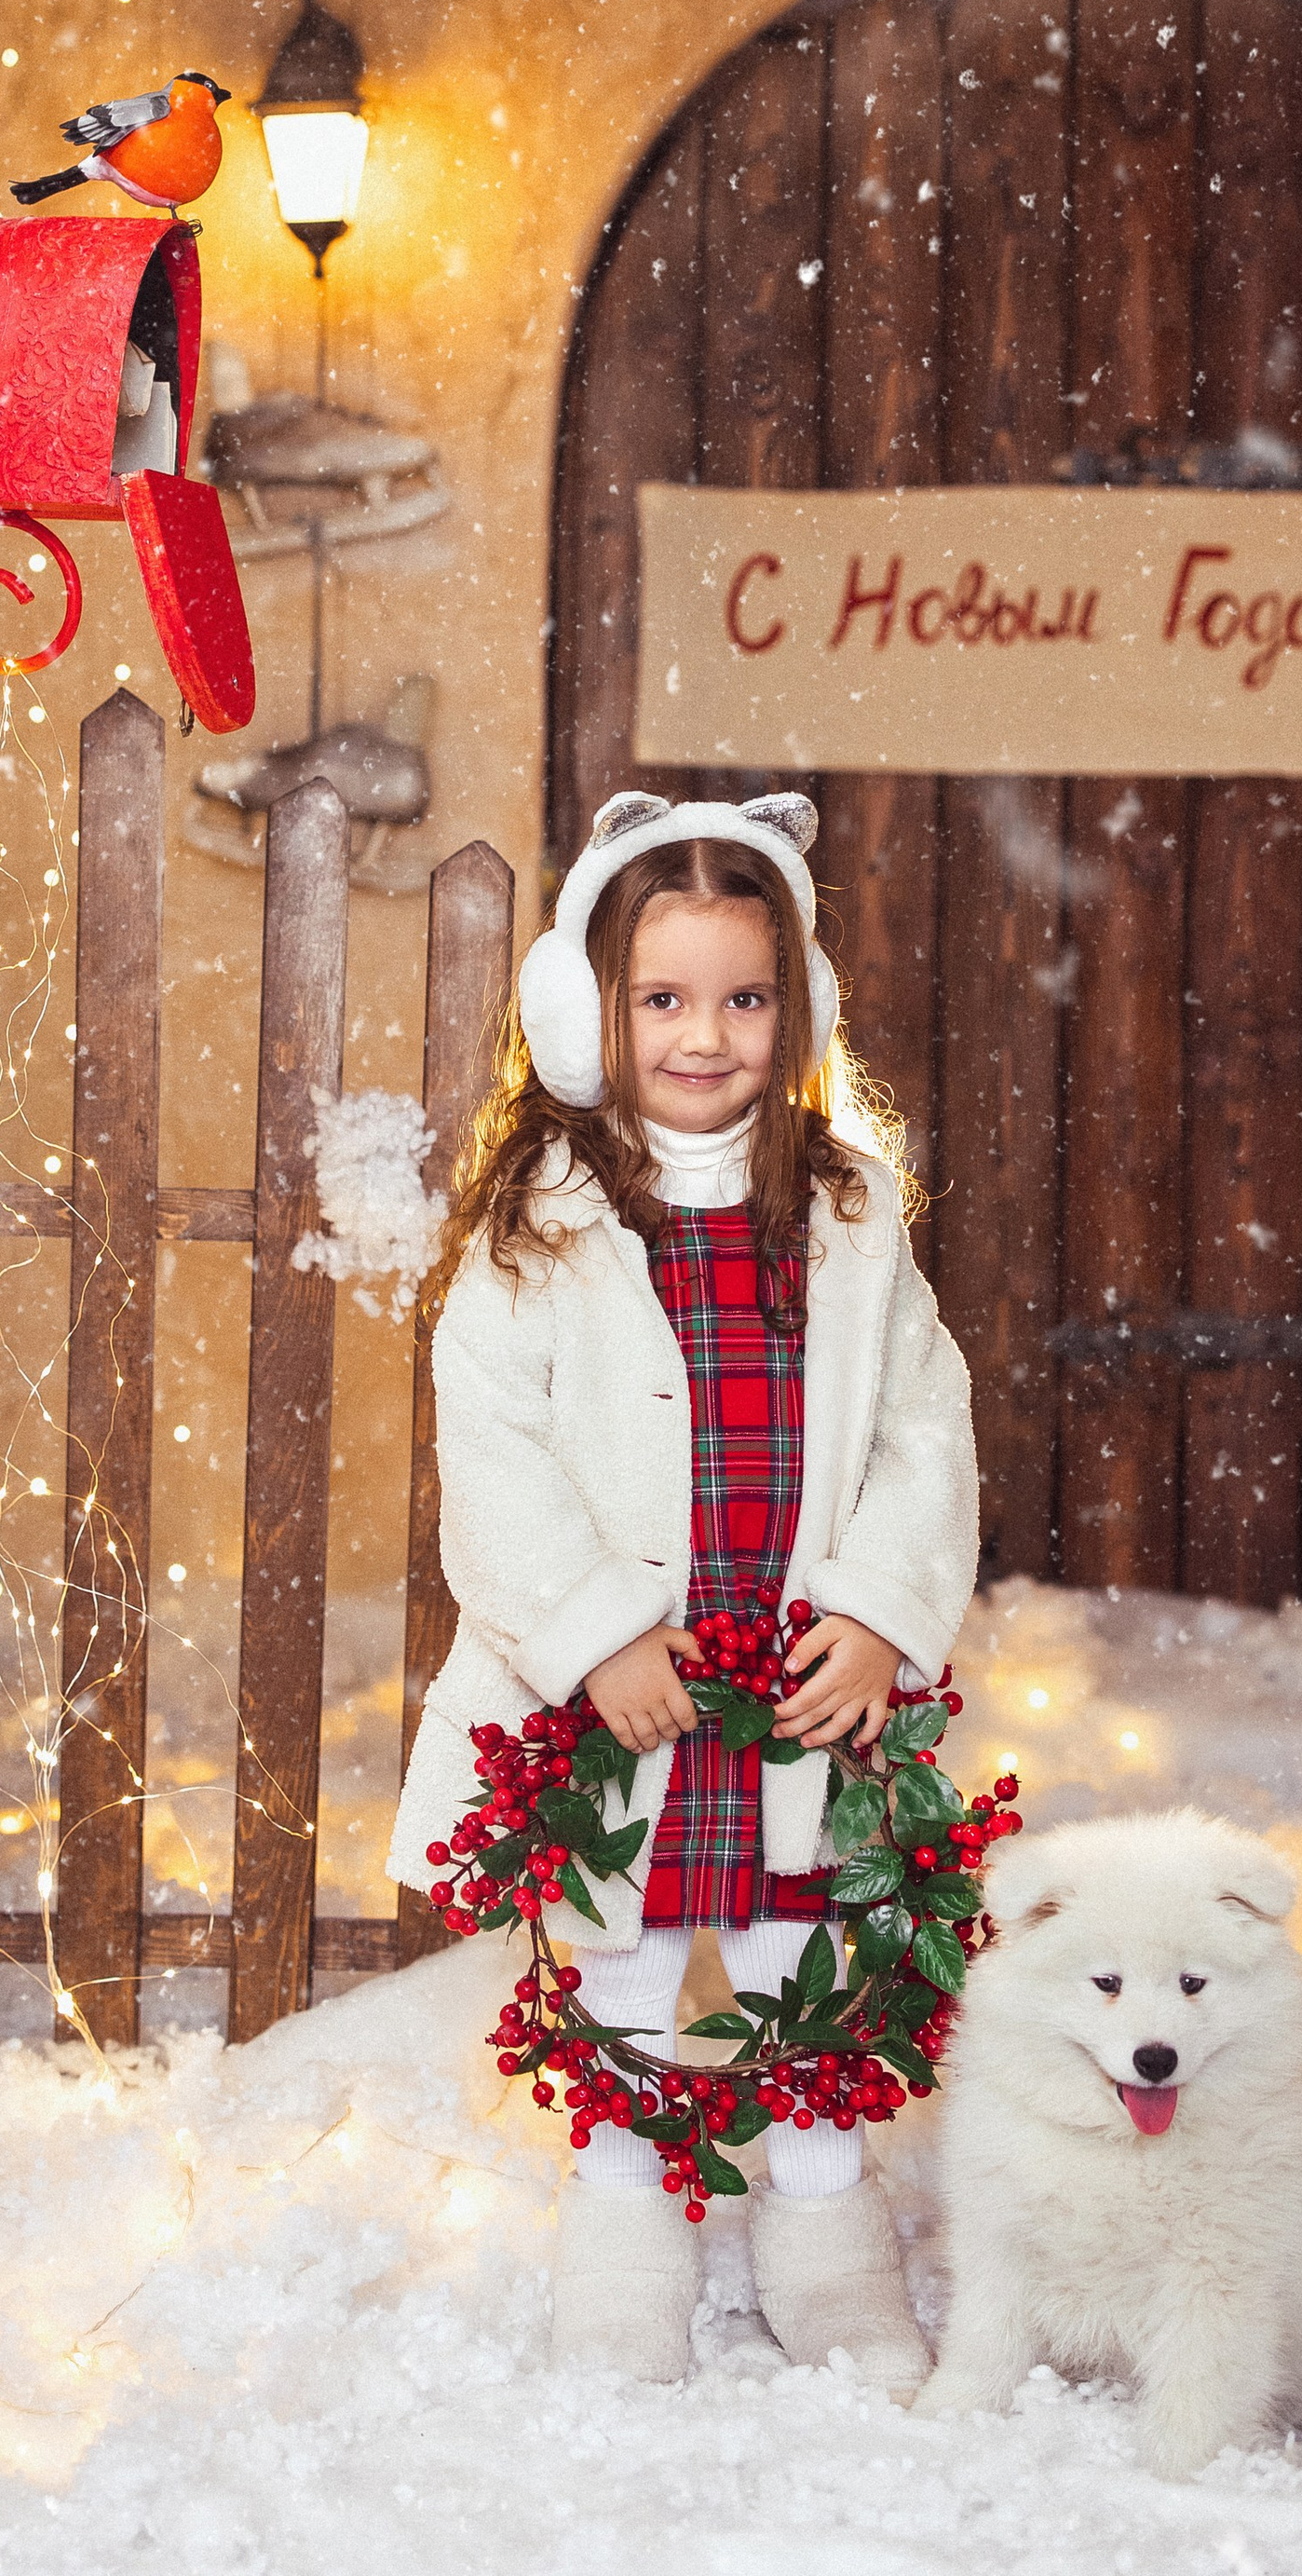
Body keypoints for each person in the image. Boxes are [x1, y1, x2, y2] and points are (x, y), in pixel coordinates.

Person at [390, 789, 980, 2387]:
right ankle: (625, 2248)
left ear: (799, 1011)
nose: (704, 1036)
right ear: (587, 1013)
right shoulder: (535, 1229)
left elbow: (925, 1422)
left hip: (797, 1675)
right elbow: (493, 1455)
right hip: (630, 1687)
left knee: (806, 1959)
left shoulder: (849, 1218)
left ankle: (828, 2247)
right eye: (662, 998)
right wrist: (593, 1636)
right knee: (630, 1960)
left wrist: (878, 1608)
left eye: (743, 998)